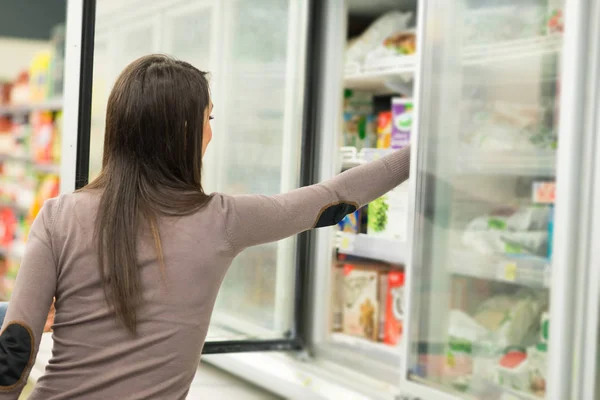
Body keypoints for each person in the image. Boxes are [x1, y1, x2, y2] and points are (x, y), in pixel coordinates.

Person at [0, 54, 410, 399]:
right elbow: (332, 200)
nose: (211, 133)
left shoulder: (57, 216)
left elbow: (16, 347)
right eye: (208, 118)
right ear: (184, 132)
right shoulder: (223, 221)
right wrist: (421, 150)